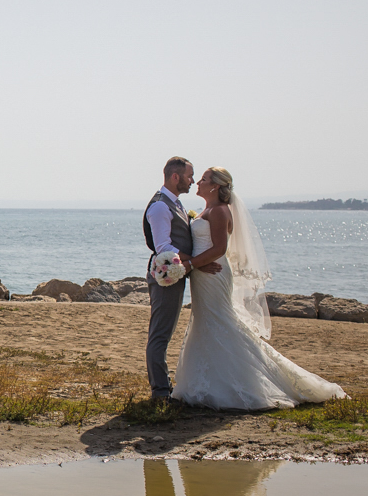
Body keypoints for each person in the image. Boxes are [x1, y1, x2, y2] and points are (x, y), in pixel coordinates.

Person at [171, 167, 346, 408]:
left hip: (213, 273)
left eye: (203, 179)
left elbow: (220, 249)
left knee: (221, 322)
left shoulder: (220, 211)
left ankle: (243, 383)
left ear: (215, 186)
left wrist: (190, 264)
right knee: (206, 322)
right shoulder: (207, 210)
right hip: (203, 273)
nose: (198, 182)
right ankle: (207, 382)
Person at [143, 157, 221, 399]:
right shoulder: (159, 206)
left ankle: (163, 386)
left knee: (165, 331)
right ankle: (160, 391)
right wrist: (194, 264)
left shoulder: (174, 204)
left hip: (176, 273)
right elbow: (164, 246)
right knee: (160, 333)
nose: (193, 180)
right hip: (166, 275)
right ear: (175, 177)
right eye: (189, 176)